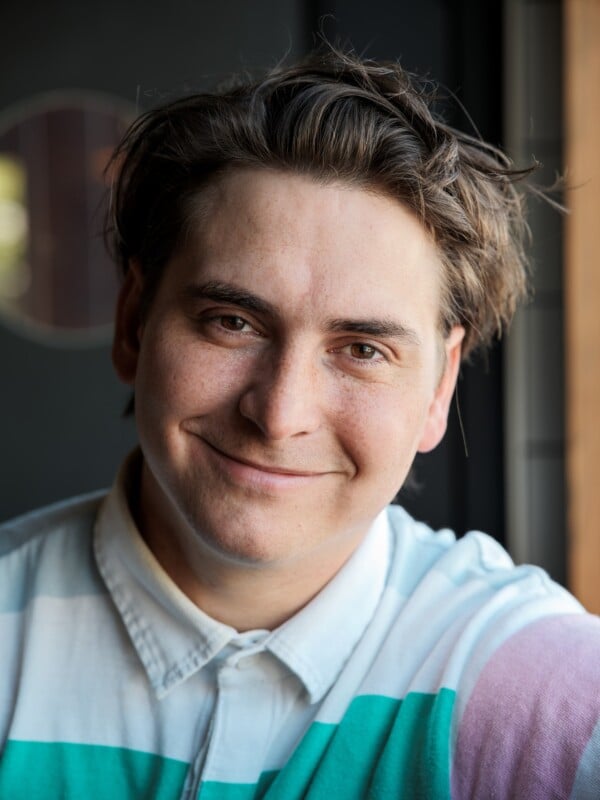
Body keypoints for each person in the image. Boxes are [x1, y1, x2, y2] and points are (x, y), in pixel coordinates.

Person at [1, 46, 599, 800]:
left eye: (361, 349)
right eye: (231, 321)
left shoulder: (520, 677)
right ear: (133, 323)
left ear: (439, 387)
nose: (280, 415)